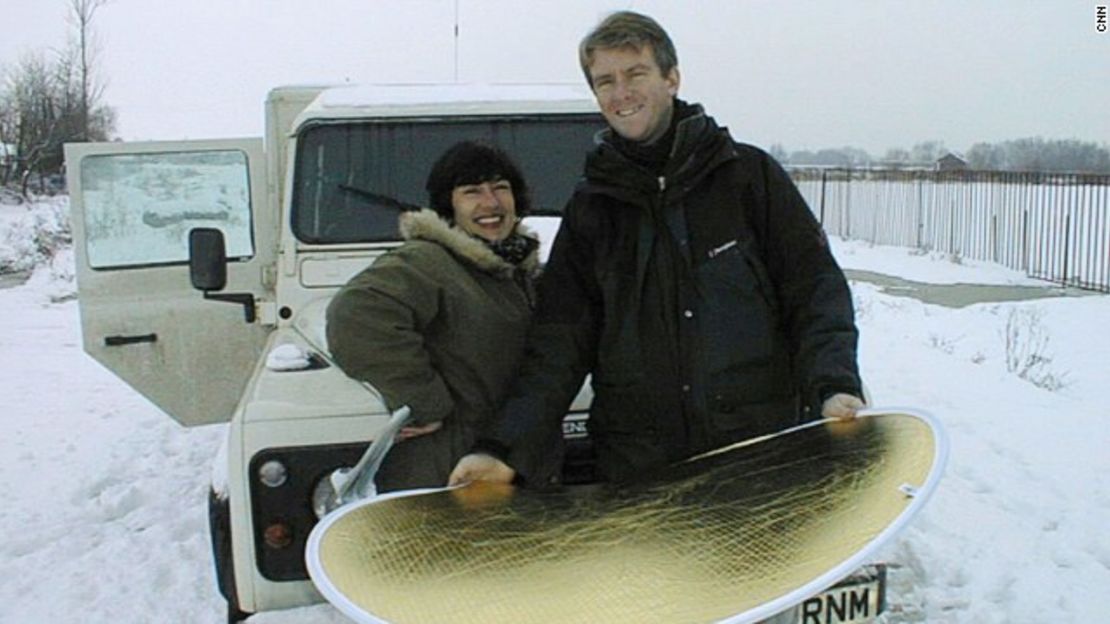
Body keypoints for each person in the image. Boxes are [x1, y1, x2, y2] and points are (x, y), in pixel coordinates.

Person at [451, 11, 864, 488]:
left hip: (757, 452)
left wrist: (834, 385)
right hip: (641, 466)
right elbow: (558, 344)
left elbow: (814, 291)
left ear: (671, 78)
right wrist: (502, 446)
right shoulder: (591, 210)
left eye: (635, 74)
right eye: (605, 82)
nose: (620, 94)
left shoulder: (749, 178)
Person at [326, 141, 542, 493]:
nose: (491, 202)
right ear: (448, 206)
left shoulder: (509, 269)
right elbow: (356, 314)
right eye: (471, 191)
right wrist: (423, 402)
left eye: (501, 188)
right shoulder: (430, 261)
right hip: (449, 471)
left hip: (500, 463)